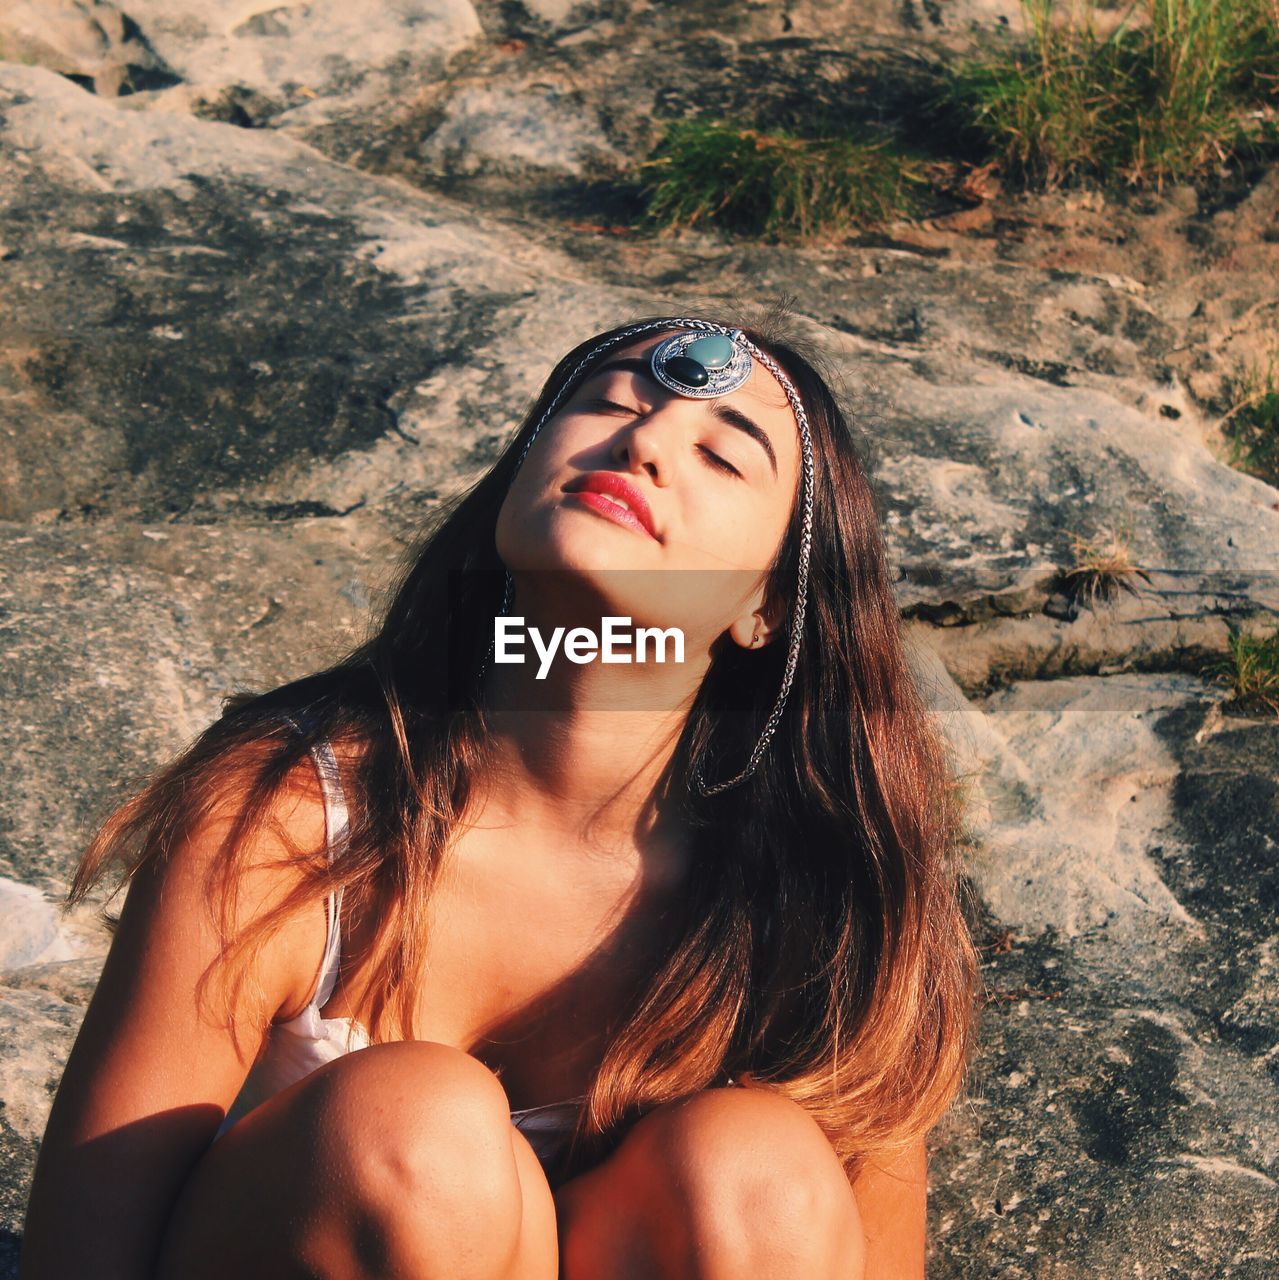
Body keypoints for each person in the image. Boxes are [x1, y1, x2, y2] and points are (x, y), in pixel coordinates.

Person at [20, 307, 978, 1280]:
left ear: (766, 604)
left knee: (755, 1173)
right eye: (605, 403)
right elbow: (86, 1250)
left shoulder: (828, 902)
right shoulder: (289, 811)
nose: (643, 439)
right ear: (515, 478)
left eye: (722, 459)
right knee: (415, 1128)